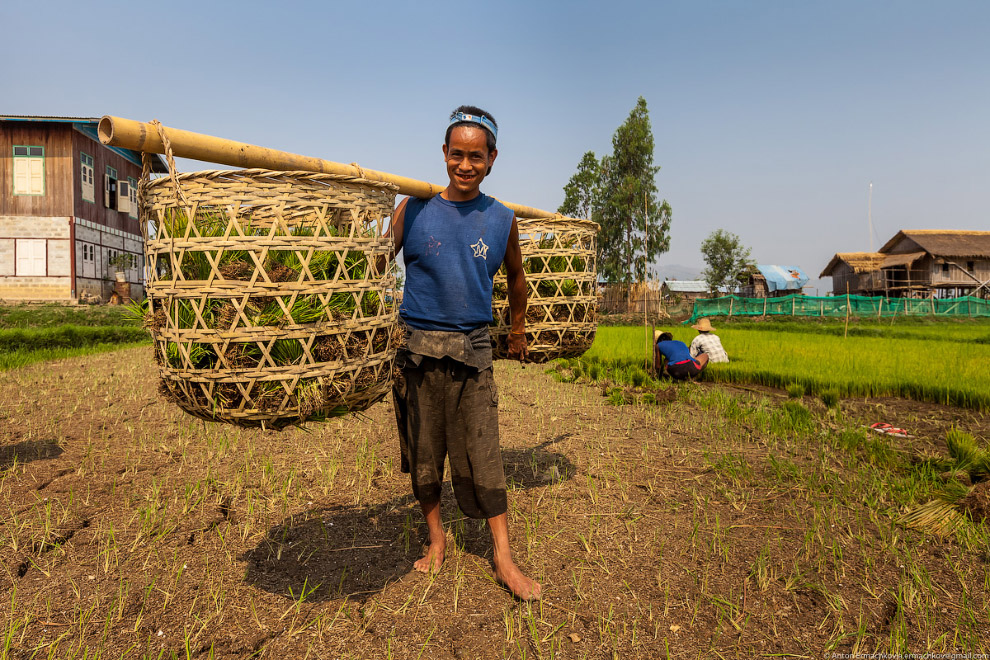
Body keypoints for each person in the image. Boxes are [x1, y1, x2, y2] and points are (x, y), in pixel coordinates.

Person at [388, 105, 541, 601]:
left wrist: (516, 330)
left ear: (492, 158)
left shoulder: (501, 219)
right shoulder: (413, 209)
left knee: (484, 453)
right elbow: (370, 265)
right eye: (458, 155)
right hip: (416, 348)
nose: (466, 165)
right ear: (444, 154)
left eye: (477, 156)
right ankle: (437, 541)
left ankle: (503, 557)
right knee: (424, 453)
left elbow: (517, 277)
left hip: (473, 350)